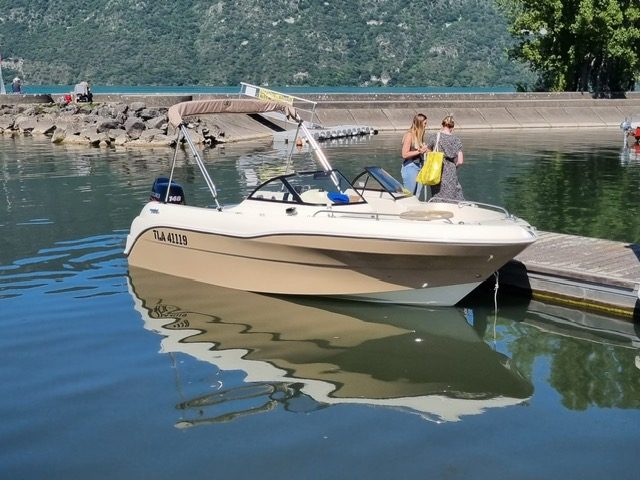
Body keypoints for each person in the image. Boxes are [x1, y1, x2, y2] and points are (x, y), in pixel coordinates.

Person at [426, 115, 464, 201]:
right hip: (451, 170)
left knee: (437, 193)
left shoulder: (434, 137)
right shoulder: (456, 140)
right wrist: (454, 166)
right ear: (452, 127)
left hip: (437, 169)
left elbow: (428, 152)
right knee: (453, 193)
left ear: (442, 125)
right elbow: (460, 161)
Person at [400, 113, 428, 196]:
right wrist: (419, 151)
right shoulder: (409, 135)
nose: (426, 126)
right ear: (420, 123)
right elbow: (404, 154)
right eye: (425, 123)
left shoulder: (419, 135)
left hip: (419, 166)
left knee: (417, 195)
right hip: (410, 167)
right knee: (409, 195)